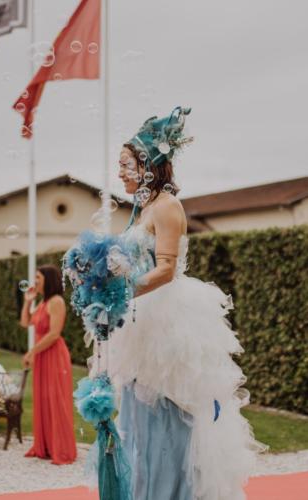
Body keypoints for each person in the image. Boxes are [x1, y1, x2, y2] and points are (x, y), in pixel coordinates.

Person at [98, 107, 265, 499]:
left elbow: (167, 268)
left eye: (126, 164)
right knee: (139, 420)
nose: (120, 172)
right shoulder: (143, 209)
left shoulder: (167, 206)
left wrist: (123, 293)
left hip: (167, 323)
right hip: (140, 321)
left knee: (166, 420)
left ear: (148, 165)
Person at [20, 265, 77, 465]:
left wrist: (32, 351)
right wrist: (28, 302)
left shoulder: (56, 301)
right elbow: (26, 323)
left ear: (48, 279)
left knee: (56, 399)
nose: (34, 282)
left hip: (53, 355)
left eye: (37, 278)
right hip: (43, 356)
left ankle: (61, 448)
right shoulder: (43, 303)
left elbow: (54, 333)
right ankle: (45, 446)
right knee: (44, 399)